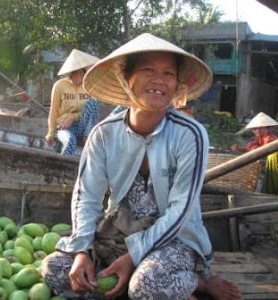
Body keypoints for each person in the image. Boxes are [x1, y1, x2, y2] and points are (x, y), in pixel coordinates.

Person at [42, 33, 241, 300]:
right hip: (118, 233)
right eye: (149, 70)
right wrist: (82, 251)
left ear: (176, 84)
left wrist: (133, 256)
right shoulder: (104, 134)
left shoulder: (190, 134)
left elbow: (180, 211)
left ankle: (195, 282)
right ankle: (140, 283)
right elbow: (86, 196)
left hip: (174, 238)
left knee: (146, 287)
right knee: (55, 270)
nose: (159, 80)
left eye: (169, 74)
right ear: (127, 78)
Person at [46, 49, 100, 155]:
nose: (87, 74)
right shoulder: (59, 85)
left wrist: (73, 117)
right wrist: (51, 133)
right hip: (64, 128)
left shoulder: (89, 86)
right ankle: (62, 167)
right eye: (85, 71)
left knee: (93, 103)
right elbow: (54, 111)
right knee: (70, 141)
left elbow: (92, 112)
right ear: (78, 71)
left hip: (84, 128)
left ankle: (87, 139)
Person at [231, 112, 278, 195]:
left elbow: (260, 150)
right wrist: (238, 148)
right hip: (266, 160)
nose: (254, 131)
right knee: (251, 144)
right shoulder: (259, 139)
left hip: (274, 161)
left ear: (265, 129)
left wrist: (252, 147)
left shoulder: (271, 138)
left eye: (257, 129)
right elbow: (250, 149)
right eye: (254, 129)